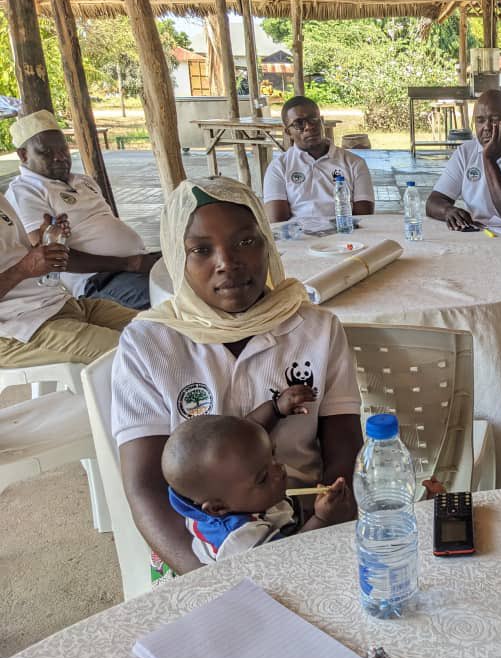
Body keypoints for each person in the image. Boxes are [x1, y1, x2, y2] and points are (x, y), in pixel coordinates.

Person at [112, 176, 363, 580]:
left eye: (246, 241)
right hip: (201, 548)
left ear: (267, 242)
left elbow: (344, 440)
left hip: (309, 522)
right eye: (201, 250)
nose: (227, 262)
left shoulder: (316, 329)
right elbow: (144, 486)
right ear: (179, 259)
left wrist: (329, 520)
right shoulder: (149, 344)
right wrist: (212, 582)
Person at [6, 110, 160, 310]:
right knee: (168, 301)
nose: (60, 158)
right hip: (98, 280)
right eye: (47, 152)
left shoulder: (83, 181)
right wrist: (129, 264)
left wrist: (136, 261)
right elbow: (51, 257)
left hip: (137, 262)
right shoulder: (24, 192)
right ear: (24, 155)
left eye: (64, 149)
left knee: (198, 275)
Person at [163, 415, 351, 564]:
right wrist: (323, 519)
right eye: (262, 478)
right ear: (217, 509)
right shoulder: (238, 537)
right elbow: (287, 562)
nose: (279, 470)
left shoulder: (236, 497)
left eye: (273, 455)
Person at [0, 193, 136, 367]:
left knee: (162, 330)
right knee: (138, 354)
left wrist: (44, 241)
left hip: (60, 304)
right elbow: (22, 267)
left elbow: (14, 257)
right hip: (21, 328)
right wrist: (24, 268)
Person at [426, 89, 501, 230]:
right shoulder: (465, 152)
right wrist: (448, 211)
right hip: (481, 233)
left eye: (495, 120)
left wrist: (489, 159)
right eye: (480, 120)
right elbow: (433, 202)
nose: (486, 127)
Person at [263, 96, 375, 223]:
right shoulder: (279, 167)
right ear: (288, 132)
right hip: (300, 239)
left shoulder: (354, 163)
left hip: (344, 236)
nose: (309, 127)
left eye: (313, 119)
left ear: (321, 121)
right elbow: (277, 222)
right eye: (299, 123)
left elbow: (364, 217)